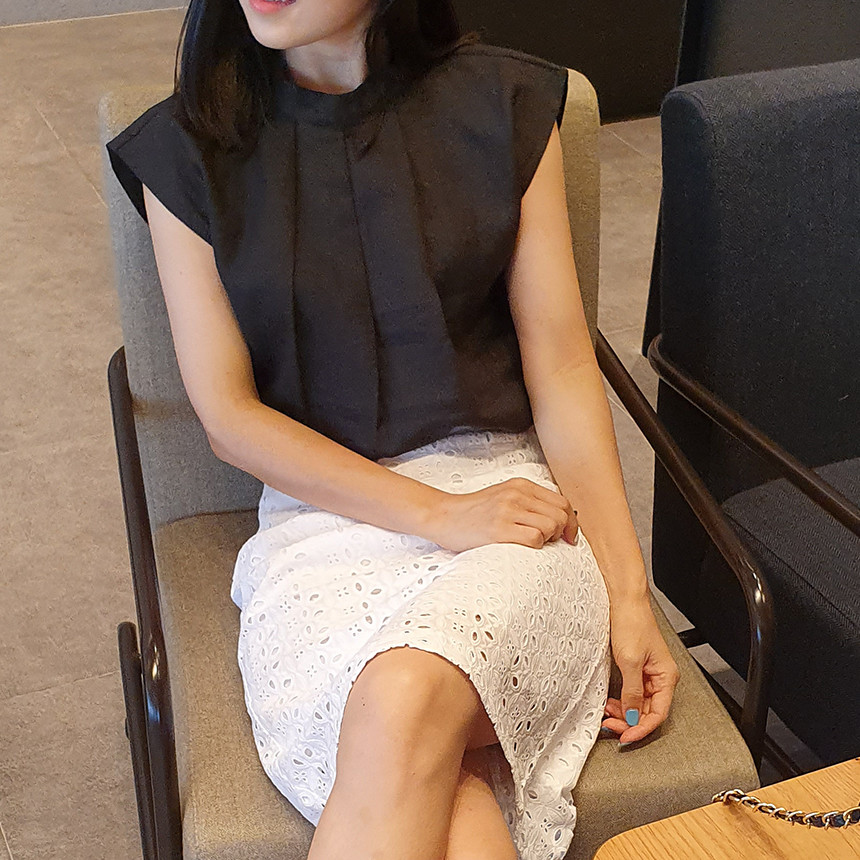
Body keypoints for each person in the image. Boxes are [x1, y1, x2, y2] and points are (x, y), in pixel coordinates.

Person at [105, 0, 680, 858]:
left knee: (404, 696)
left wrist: (629, 593)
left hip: (515, 514)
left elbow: (562, 369)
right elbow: (229, 419)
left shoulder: (508, 105)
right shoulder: (186, 149)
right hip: (318, 527)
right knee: (449, 800)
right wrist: (435, 514)